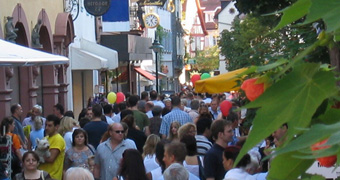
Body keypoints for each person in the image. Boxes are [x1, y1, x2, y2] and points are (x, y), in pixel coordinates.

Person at [39, 114, 66, 180]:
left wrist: (37, 157)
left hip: (52, 176)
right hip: (42, 175)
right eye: (46, 125)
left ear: (56, 127)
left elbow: (50, 158)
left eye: (50, 125)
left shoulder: (58, 139)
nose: (46, 128)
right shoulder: (45, 138)